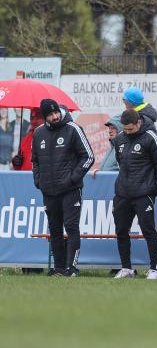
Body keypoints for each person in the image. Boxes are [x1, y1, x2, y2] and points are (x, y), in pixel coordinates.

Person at [31, 99, 95, 276]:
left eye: (56, 112)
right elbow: (35, 161)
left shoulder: (73, 128)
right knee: (55, 229)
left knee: (71, 227)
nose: (55, 116)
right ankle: (59, 268)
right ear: (45, 117)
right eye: (50, 114)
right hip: (48, 191)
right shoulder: (38, 133)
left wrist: (73, 178)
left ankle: (72, 268)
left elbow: (88, 157)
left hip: (70, 190)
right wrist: (39, 181)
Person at [111, 109, 157, 279]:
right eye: (125, 129)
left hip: (143, 195)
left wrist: (151, 191)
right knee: (121, 231)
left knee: (148, 231)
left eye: (130, 129)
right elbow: (120, 163)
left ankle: (155, 269)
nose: (127, 132)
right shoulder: (119, 138)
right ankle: (126, 268)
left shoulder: (151, 138)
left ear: (138, 123)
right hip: (122, 194)